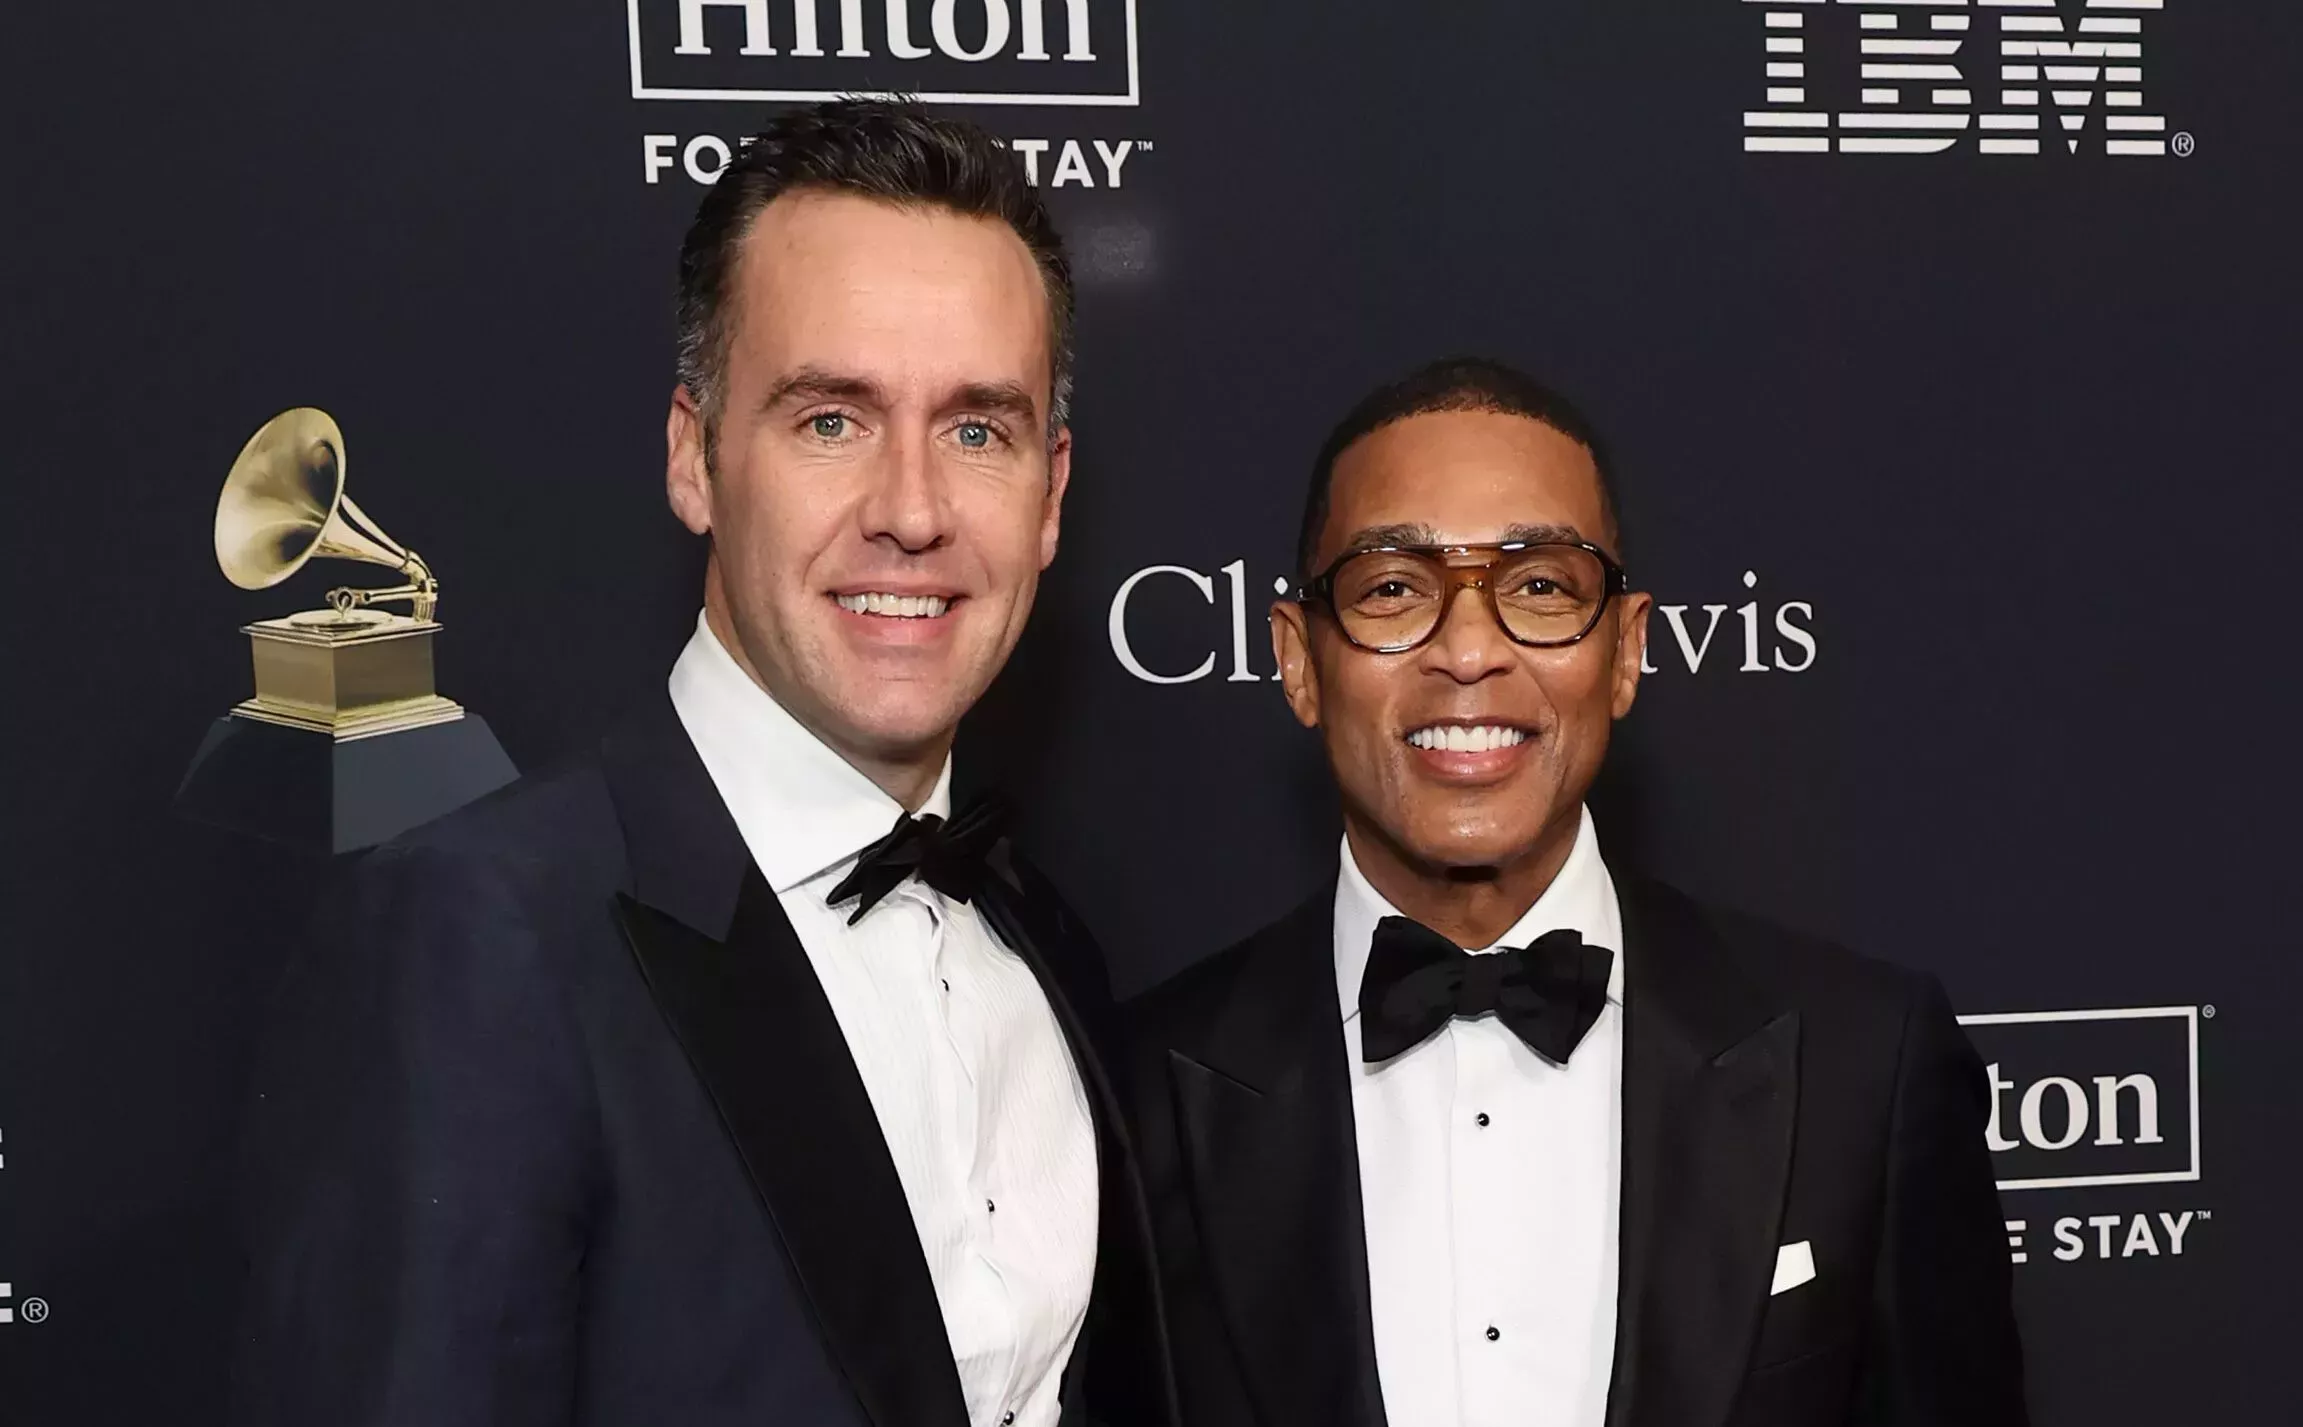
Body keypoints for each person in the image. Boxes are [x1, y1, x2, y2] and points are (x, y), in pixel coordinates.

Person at [234, 100, 1173, 1427]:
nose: (911, 510)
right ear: (694, 457)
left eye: (977, 430)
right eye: (831, 419)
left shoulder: (1049, 946)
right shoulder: (478, 935)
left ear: (1050, 494)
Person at [1123, 357, 2025, 1427]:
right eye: (1393, 587)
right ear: (1298, 661)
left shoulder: (1863, 1065)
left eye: (1540, 586)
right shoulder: (1133, 1098)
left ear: (1626, 650)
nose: (1468, 651)